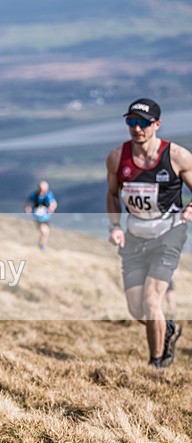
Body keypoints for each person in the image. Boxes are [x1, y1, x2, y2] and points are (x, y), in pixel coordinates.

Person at [106, 97, 192, 369]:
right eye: (131, 122)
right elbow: (111, 195)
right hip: (134, 236)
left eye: (143, 123)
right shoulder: (118, 157)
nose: (136, 128)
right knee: (136, 308)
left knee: (151, 300)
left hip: (168, 234)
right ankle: (166, 328)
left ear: (157, 124)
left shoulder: (177, 156)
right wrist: (116, 227)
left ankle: (157, 363)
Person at [24, 180, 57, 251]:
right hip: (37, 216)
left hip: (46, 216)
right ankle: (41, 246)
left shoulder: (49, 195)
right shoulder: (34, 195)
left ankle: (42, 245)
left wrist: (52, 208)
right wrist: (27, 208)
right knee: (43, 231)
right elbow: (28, 201)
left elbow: (53, 203)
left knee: (46, 233)